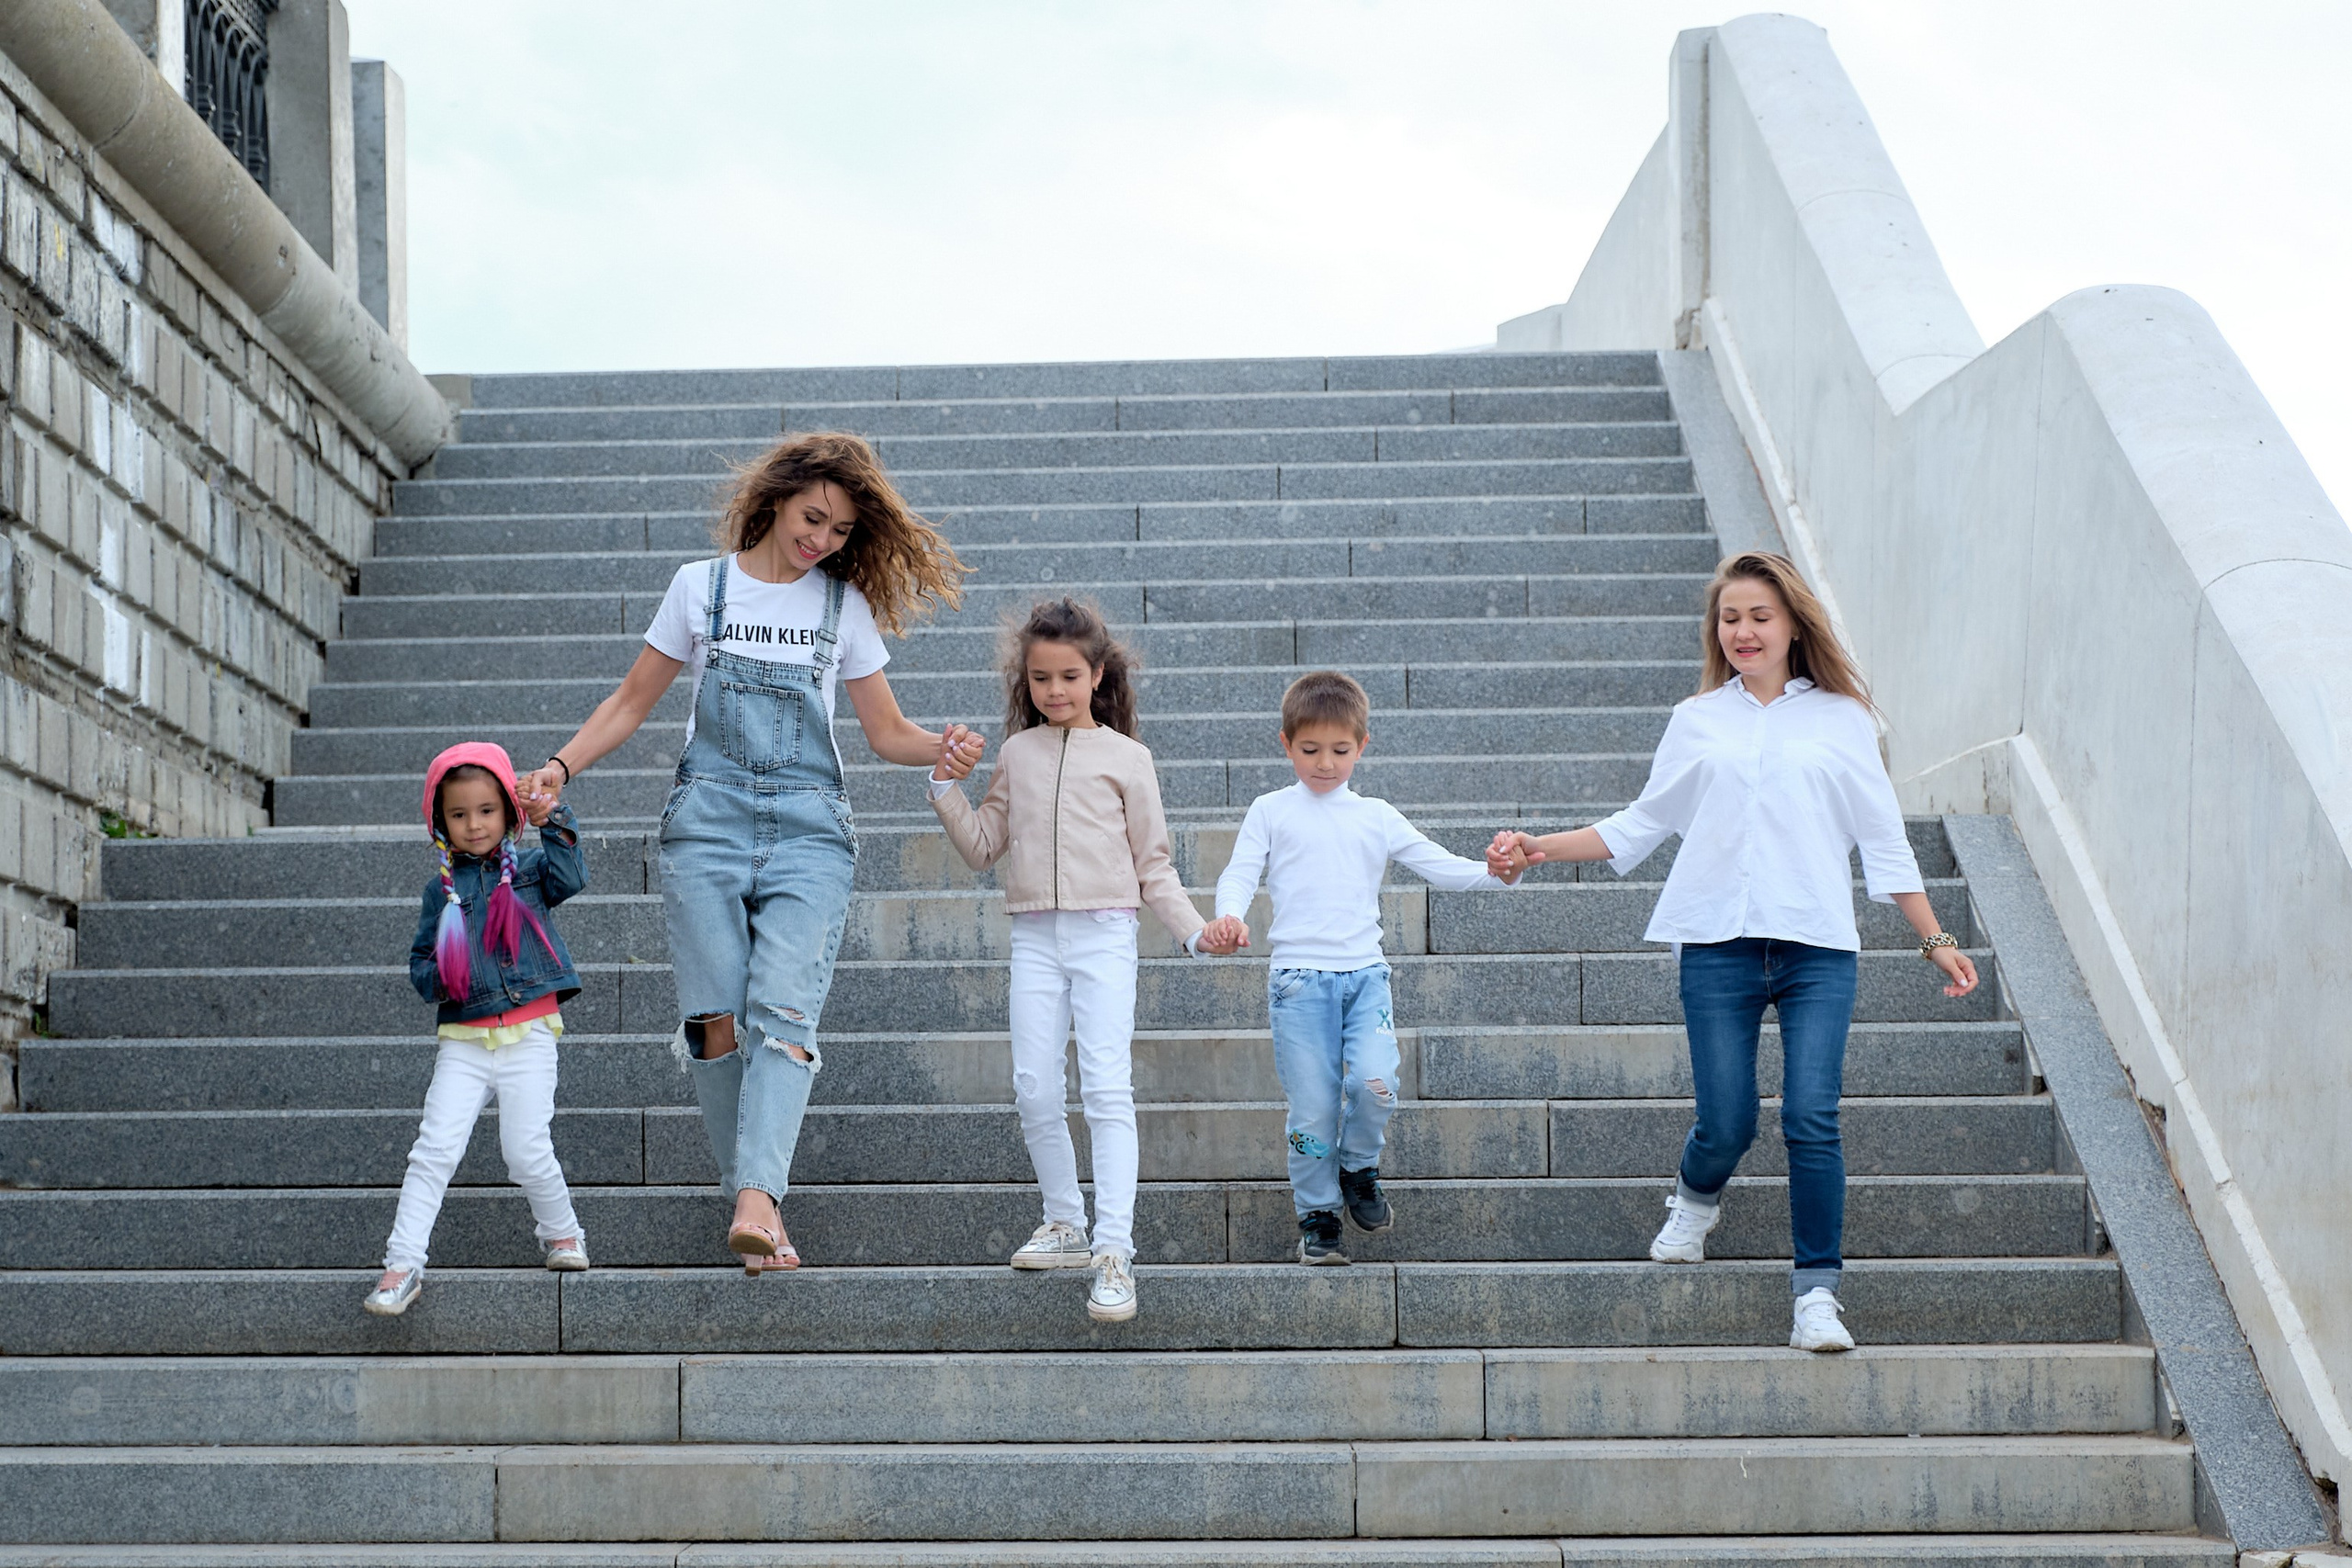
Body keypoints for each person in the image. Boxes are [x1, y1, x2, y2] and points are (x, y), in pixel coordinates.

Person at [1488, 551, 1977, 1353]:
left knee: (1812, 1117)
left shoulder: (1845, 719)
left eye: (1760, 615)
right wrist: (1536, 845)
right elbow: (1637, 826)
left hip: (1818, 947)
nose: (1743, 630)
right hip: (1716, 943)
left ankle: (1816, 1294)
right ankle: (1695, 1197)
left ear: (1793, 624)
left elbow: (1885, 842)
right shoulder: (1697, 719)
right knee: (1727, 1120)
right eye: (1730, 617)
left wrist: (1937, 939)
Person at [519, 433, 978, 1274]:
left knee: (785, 1013)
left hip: (810, 828)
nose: (823, 541)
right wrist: (558, 768)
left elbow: (884, 732)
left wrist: (940, 748)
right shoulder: (702, 588)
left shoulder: (842, 606)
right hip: (708, 825)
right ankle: (756, 1204)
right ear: (774, 499)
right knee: (715, 1023)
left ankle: (757, 1202)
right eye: (813, 518)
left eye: (839, 531)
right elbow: (631, 701)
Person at [928, 597, 1231, 1324]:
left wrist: (1194, 932)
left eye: (1068, 675)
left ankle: (1113, 1250)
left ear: (1097, 673)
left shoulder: (1129, 759)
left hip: (1104, 933)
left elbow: (1154, 867)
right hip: (1035, 935)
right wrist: (943, 786)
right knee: (1034, 1085)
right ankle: (1063, 1221)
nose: (1054, 690)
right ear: (1024, 680)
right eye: (1040, 677)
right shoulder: (1016, 754)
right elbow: (980, 846)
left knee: (1105, 1088)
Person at [1202, 671, 1521, 1265]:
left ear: (1362, 745)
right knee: (1313, 1109)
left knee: (1377, 1084)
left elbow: (1437, 862)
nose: (1325, 763)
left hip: (1364, 979)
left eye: (1340, 750)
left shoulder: (1375, 815)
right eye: (1310, 749)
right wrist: (1228, 915)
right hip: (1299, 984)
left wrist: (1495, 870)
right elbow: (1240, 871)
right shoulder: (1271, 810)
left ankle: (1358, 1167)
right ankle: (1317, 1212)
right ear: (1286, 743)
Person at [366, 742, 588, 1316]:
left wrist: (552, 817)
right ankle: (402, 1262)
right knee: (433, 1150)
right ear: (441, 821)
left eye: (487, 810)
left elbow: (571, 875)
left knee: (526, 1150)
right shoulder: (439, 892)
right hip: (464, 1042)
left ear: (506, 813)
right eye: (459, 814)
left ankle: (563, 1234)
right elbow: (420, 965)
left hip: (530, 1033)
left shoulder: (532, 873)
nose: (474, 824)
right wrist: (443, 973)